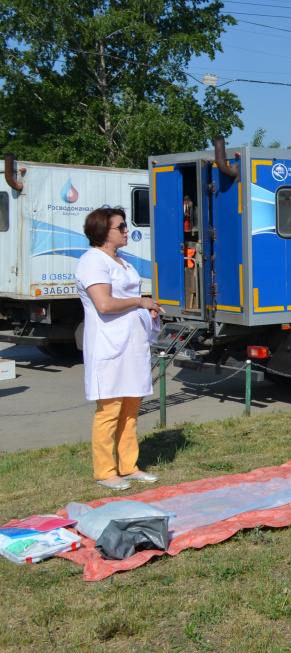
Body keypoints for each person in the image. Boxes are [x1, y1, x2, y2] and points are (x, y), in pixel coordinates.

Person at [75, 207, 163, 490]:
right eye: (121, 227)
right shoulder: (93, 261)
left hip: (132, 345)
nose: (127, 231)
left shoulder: (122, 261)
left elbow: (129, 296)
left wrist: (147, 310)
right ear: (104, 232)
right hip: (109, 346)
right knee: (109, 410)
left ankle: (129, 466)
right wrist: (141, 303)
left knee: (131, 408)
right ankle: (105, 471)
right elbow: (104, 304)